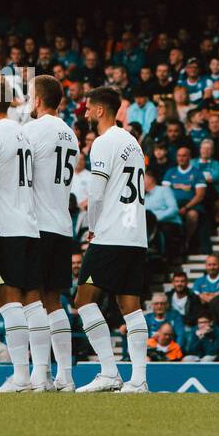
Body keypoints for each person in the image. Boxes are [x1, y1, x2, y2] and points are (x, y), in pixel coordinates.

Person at [75, 86, 150, 393]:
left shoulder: (103, 143)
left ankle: (109, 371)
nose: (86, 113)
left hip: (112, 234)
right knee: (130, 304)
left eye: (89, 108)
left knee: (83, 301)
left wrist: (91, 227)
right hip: (136, 234)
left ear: (101, 110)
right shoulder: (132, 143)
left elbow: (96, 193)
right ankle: (139, 378)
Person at [0, 73, 41, 393]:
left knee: (9, 301)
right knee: (32, 302)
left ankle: (21, 378)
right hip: (29, 224)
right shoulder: (23, 134)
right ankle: (37, 375)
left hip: (7, 228)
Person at [23, 74, 80, 390]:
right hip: (61, 222)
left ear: (38, 98)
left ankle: (40, 374)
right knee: (53, 300)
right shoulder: (70, 134)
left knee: (32, 298)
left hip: (36, 224)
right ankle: (65, 376)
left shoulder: (33, 130)